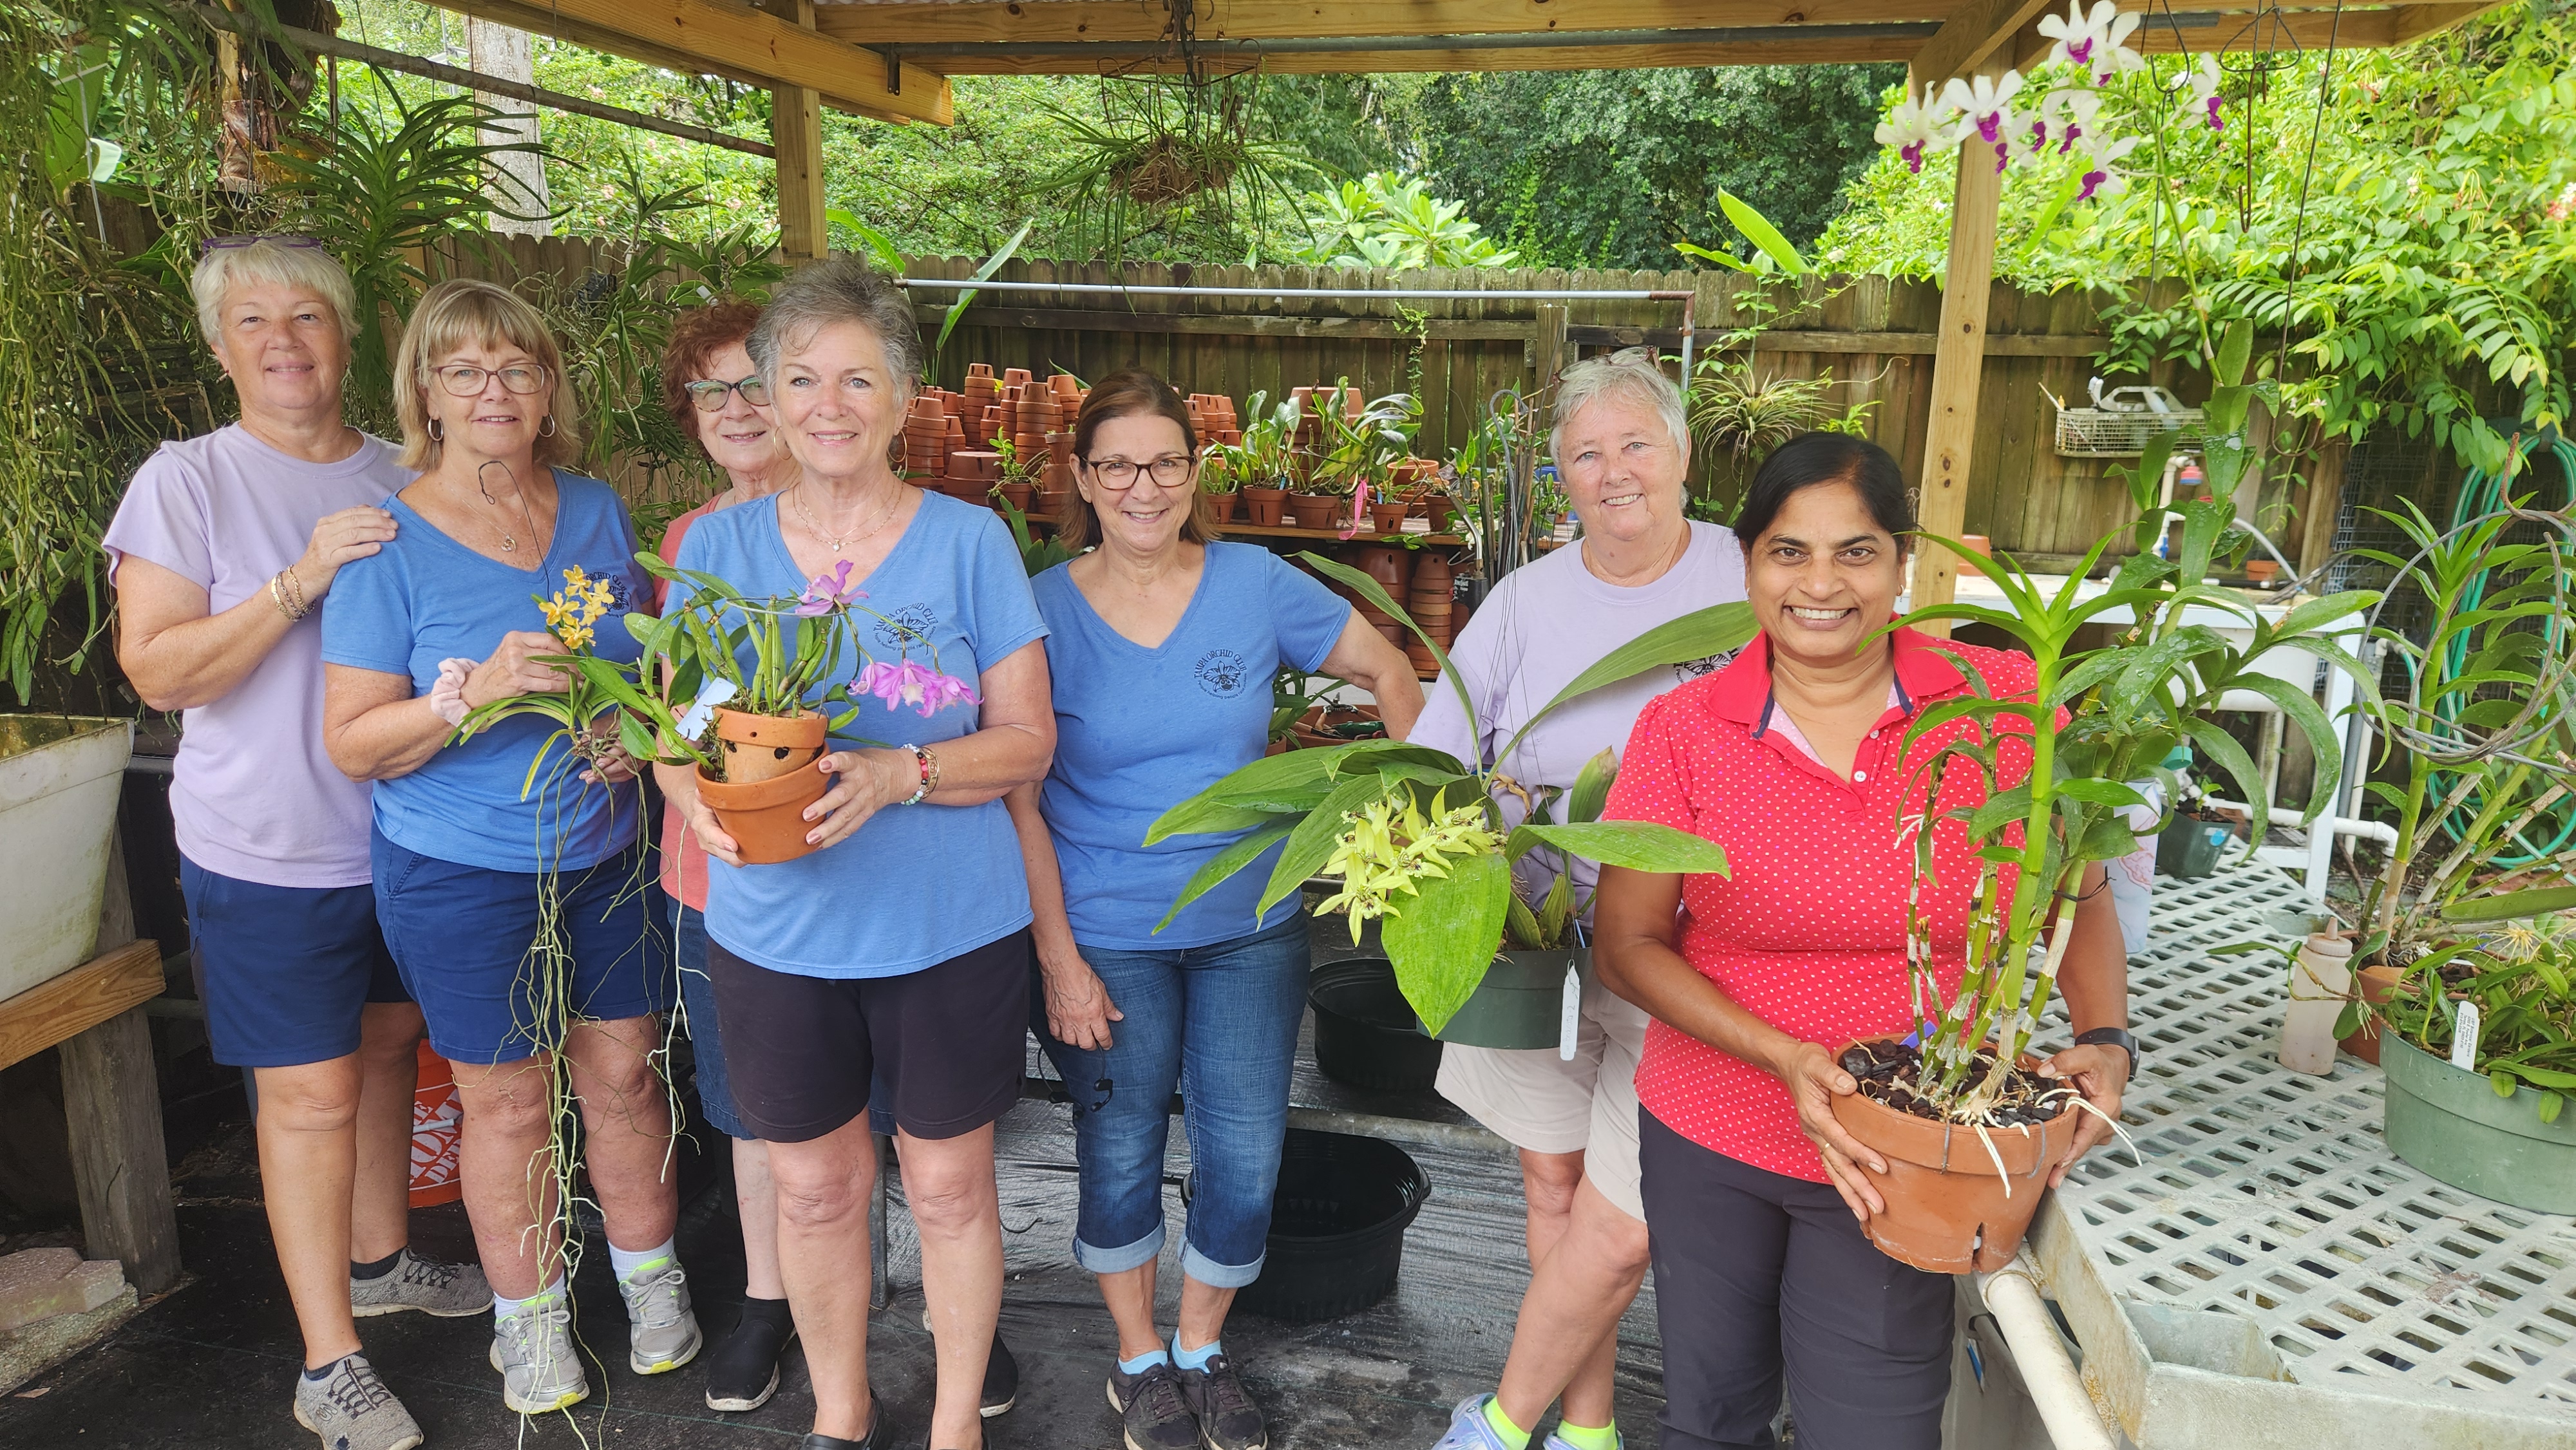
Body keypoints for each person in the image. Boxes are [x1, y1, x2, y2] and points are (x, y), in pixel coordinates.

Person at [1587, 433, 2134, 1450]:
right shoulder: (1684, 729)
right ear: (1747, 563)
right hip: (1716, 1130)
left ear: (1902, 563)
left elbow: (2082, 888)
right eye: (1788, 552)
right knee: (1713, 1417)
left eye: (1858, 551)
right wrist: (1784, 1056)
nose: (1821, 584)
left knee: (1874, 1427)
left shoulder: (2005, 703)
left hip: (1917, 1145)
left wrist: (2108, 1036)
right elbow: (1626, 944)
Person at [653, 258, 1053, 1450]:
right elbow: (676, 725)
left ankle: (952, 1427)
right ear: (767, 397)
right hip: (776, 928)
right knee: (819, 1189)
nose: (828, 402)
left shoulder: (970, 543)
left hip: (947, 927)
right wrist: (688, 791)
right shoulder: (718, 553)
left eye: (857, 378)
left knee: (944, 1186)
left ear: (903, 396)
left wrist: (903, 773)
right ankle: (839, 1413)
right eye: (802, 378)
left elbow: (1026, 742)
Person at [104, 236, 489, 1450]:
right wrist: (296, 580)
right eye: (254, 320)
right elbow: (158, 671)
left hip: (406, 833)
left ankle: (379, 1260)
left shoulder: (405, 472)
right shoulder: (190, 481)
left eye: (309, 315)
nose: (284, 339)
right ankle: (330, 1363)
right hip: (267, 847)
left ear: (350, 336)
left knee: (385, 1052)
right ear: (221, 348)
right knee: (311, 1094)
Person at [1007, 369, 1424, 1450]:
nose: (1143, 487)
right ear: (1084, 480)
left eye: (1165, 462)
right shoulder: (1040, 608)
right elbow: (1019, 796)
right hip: (1107, 930)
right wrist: (1056, 956)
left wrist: (1406, 809)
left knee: (1245, 1152)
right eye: (1117, 465)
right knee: (1120, 1144)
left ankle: (1201, 1346)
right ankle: (1137, 1358)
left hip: (1253, 926)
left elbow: (1391, 669)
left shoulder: (1255, 583)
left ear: (1195, 474)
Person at [319, 278, 697, 1417]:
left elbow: (634, 660)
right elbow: (352, 743)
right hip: (459, 866)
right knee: (508, 1102)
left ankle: (651, 1283)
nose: (495, 391)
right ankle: (528, 1325)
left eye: (519, 370)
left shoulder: (592, 508)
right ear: (425, 393)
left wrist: (626, 731)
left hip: (602, 846)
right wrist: (469, 696)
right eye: (466, 371)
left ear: (548, 392)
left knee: (627, 1072)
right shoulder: (388, 543)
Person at [1419, 348, 1747, 1450]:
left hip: (1694, 958)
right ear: (1561, 478)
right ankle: (1589, 1429)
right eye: (1585, 456)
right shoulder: (1523, 604)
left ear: (1684, 453)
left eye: (1636, 444)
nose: (1614, 474)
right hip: (1537, 941)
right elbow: (1438, 759)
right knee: (1554, 1190)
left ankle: (1506, 1424)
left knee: (1623, 1222)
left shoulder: (1750, 581)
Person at [646, 300, 804, 1414]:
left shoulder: (858, 526)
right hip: (713, 870)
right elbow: (675, 700)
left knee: (881, 1104)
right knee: (748, 1104)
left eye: (760, 383)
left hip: (843, 863)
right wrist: (689, 740)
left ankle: (929, 1302)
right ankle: (766, 1303)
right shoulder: (692, 540)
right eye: (713, 391)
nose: (738, 409)